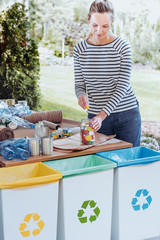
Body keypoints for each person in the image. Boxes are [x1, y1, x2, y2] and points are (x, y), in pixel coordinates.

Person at [73, 0, 141, 147]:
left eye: (105, 26)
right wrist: (81, 95)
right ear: (88, 20)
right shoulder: (80, 49)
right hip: (96, 119)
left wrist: (101, 115)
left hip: (126, 115)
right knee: (102, 162)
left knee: (128, 162)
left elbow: (122, 86)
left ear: (112, 22)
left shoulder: (122, 47)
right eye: (94, 25)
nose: (99, 31)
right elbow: (79, 85)